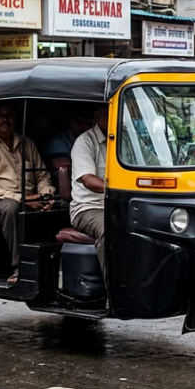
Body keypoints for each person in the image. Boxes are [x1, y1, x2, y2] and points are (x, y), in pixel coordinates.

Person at [0, 104, 55, 285]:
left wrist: (46, 195)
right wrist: (22, 199)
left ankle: (56, 262)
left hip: (31, 197)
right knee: (11, 208)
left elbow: (42, 175)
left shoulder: (27, 143)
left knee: (62, 204)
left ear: (15, 118)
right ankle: (19, 267)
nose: (5, 119)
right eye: (0, 115)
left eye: (9, 115)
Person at [70, 103, 110, 285]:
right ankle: (114, 291)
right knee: (110, 230)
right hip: (88, 208)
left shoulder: (125, 140)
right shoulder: (85, 142)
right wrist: (117, 189)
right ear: (97, 115)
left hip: (119, 205)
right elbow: (88, 180)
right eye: (110, 113)